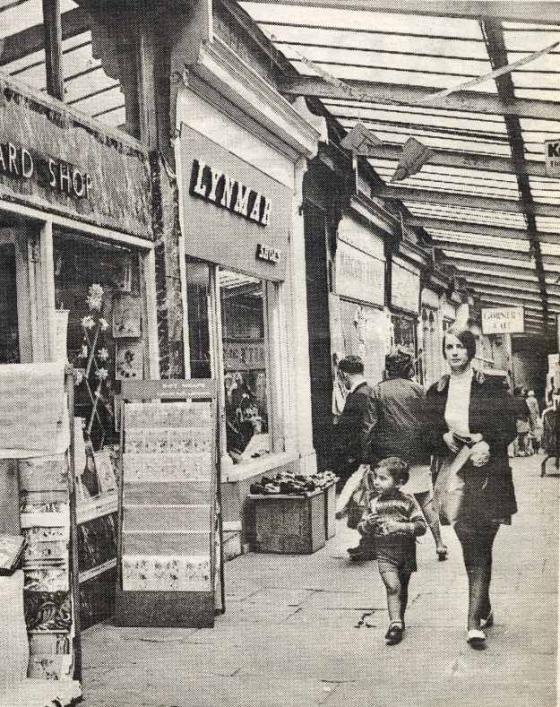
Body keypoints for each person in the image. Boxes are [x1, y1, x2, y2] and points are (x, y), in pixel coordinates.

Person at [425, 327, 517, 648]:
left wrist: (488, 442)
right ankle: (483, 606)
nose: (454, 353)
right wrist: (443, 436)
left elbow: (510, 426)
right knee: (470, 543)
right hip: (456, 475)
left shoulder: (490, 385)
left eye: (460, 347)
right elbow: (425, 431)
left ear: (471, 350)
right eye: (449, 347)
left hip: (488, 473)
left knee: (482, 543)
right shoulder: (436, 390)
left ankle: (473, 621)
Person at [365, 350, 448, 560]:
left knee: (385, 498)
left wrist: (368, 455)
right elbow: (432, 422)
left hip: (388, 456)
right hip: (417, 453)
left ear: (388, 368)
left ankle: (386, 544)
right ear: (408, 368)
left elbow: (368, 427)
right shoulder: (419, 390)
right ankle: (439, 543)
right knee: (424, 499)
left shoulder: (377, 391)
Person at [358, 457, 427, 645]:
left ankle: (399, 620)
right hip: (384, 552)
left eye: (382, 478)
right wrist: (368, 524)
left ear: (399, 482)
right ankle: (394, 624)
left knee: (402, 588)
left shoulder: (408, 501)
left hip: (406, 552)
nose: (376, 482)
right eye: (376, 478)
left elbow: (421, 526)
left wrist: (400, 526)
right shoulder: (373, 502)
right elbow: (362, 528)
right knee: (392, 586)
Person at [331, 355, 376, 559]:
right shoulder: (370, 391)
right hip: (369, 454)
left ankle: (369, 544)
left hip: (362, 456)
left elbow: (348, 430)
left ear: (344, 374)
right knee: (364, 500)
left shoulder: (357, 396)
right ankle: (366, 542)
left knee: (362, 500)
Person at [512, 386, 531, 456]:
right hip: (523, 419)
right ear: (519, 391)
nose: (524, 392)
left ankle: (516, 452)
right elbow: (527, 411)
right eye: (522, 390)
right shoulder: (523, 400)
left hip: (515, 420)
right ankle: (526, 451)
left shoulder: (512, 399)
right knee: (525, 435)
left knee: (516, 436)